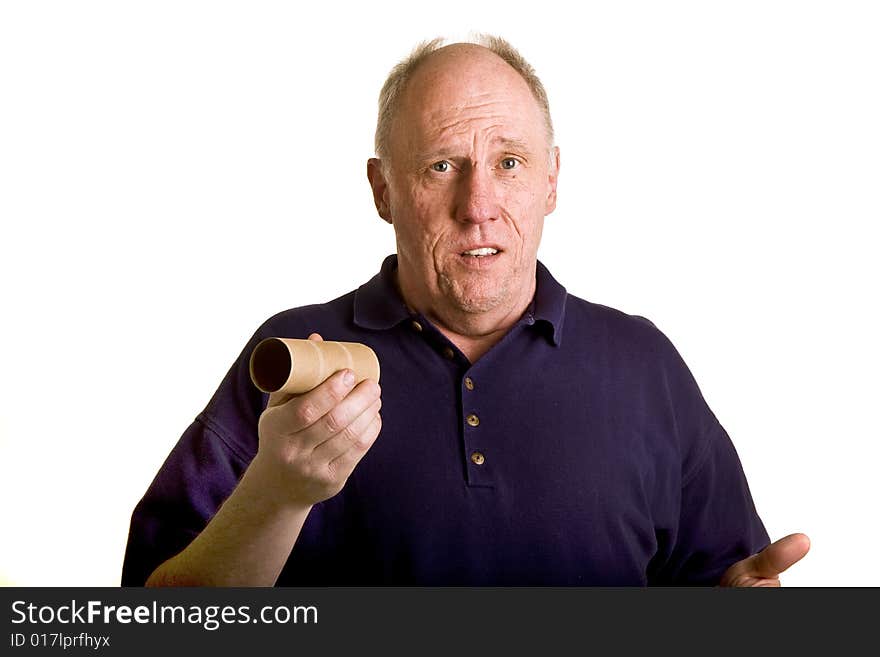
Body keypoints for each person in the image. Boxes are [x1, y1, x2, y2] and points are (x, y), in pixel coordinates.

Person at [122, 35, 809, 587]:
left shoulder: (643, 363)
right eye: (442, 166)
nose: (478, 205)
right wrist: (278, 492)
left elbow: (718, 580)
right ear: (382, 188)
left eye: (509, 162)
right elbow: (154, 617)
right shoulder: (292, 359)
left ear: (552, 181)